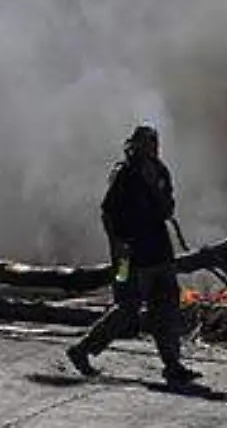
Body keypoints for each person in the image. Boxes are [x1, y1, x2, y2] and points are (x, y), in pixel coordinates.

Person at [69, 125, 199, 385]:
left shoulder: (160, 172)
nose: (152, 148)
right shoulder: (124, 175)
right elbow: (107, 212)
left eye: (155, 143)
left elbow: (166, 211)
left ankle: (172, 364)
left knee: (166, 308)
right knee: (127, 308)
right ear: (135, 145)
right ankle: (82, 350)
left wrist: (154, 186)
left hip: (160, 253)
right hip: (127, 258)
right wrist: (116, 244)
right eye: (147, 143)